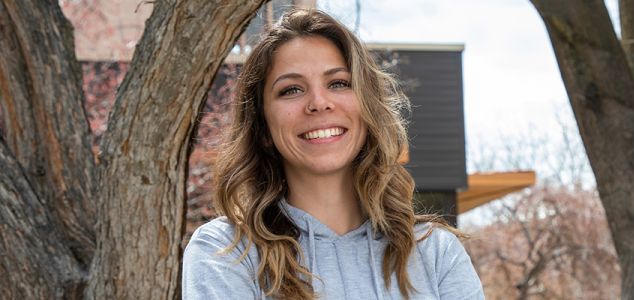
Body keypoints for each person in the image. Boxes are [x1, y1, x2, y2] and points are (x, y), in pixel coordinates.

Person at [182, 8, 484, 300]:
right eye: (291, 90)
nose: (319, 102)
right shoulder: (227, 251)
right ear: (262, 126)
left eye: (338, 83)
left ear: (367, 109)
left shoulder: (435, 253)